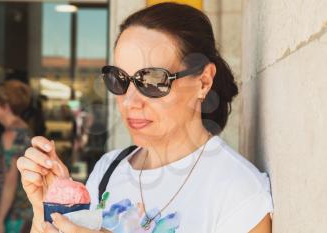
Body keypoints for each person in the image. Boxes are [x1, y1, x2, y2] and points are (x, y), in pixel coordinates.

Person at [17, 3, 273, 233]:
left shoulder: (238, 192)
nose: (130, 101)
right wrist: (49, 213)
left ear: (203, 81)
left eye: (151, 81)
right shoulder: (109, 169)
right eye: (119, 79)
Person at [0, 80, 33, 233]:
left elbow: (10, 182)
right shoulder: (23, 129)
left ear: (5, 107)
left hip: (11, 217)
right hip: (21, 213)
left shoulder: (11, 136)